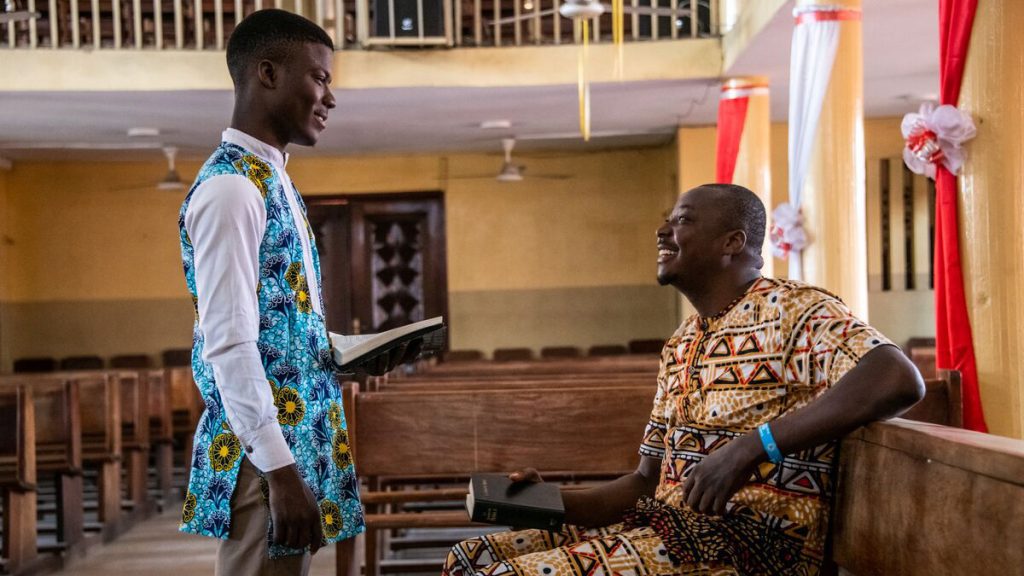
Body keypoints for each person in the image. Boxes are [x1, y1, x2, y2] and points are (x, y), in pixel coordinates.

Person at [442, 183, 925, 576]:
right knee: (468, 560)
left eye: (683, 220)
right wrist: (546, 501)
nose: (662, 231)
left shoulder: (792, 308)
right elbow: (645, 484)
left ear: (732, 241)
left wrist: (747, 450)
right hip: (670, 527)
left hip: (751, 546)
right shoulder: (681, 343)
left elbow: (895, 376)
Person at [176, 9, 413, 575]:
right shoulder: (232, 190)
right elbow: (228, 344)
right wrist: (279, 473)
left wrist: (347, 349)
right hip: (265, 457)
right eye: (320, 77)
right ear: (267, 73)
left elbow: (278, 320)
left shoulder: (272, 178)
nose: (330, 97)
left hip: (292, 441)